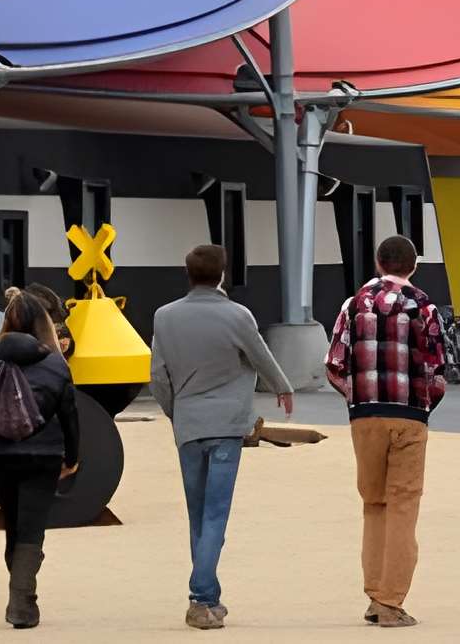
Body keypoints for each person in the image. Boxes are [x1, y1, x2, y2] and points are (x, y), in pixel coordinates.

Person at [150, 244, 294, 631]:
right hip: (228, 424)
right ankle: (201, 596)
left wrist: (175, 413)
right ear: (222, 274)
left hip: (189, 424)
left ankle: (208, 598)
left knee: (198, 514)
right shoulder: (237, 315)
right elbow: (260, 355)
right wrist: (282, 385)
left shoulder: (165, 317)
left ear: (188, 273)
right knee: (216, 513)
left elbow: (158, 376)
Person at [325, 235, 447, 629]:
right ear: (413, 265)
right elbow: (438, 370)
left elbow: (335, 364)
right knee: (403, 506)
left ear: (379, 263)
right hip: (409, 414)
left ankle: (374, 591)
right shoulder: (424, 306)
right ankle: (390, 601)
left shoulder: (353, 304)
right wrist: (423, 403)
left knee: (373, 503)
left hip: (365, 416)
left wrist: (356, 398)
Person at [0, 291, 79, 629]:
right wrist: (73, 456)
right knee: (31, 529)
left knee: (14, 524)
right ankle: (22, 601)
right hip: (44, 456)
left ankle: (21, 593)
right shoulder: (57, 364)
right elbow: (70, 415)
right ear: (42, 324)